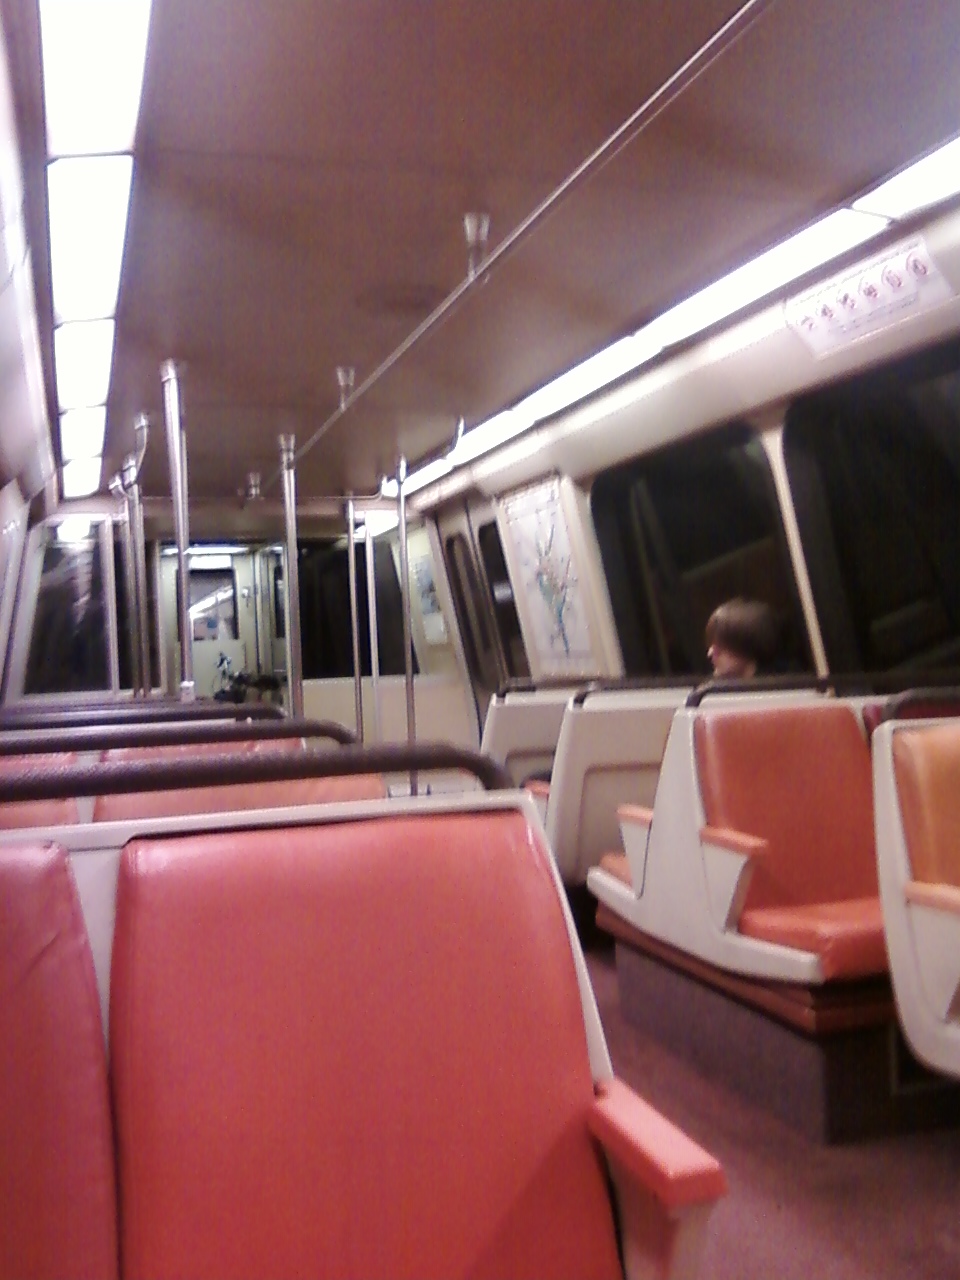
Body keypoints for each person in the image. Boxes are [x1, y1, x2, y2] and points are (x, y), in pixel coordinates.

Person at [705, 597, 780, 678]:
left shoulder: (776, 688)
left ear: (747, 645)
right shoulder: (710, 687)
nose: (710, 653)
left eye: (720, 646)